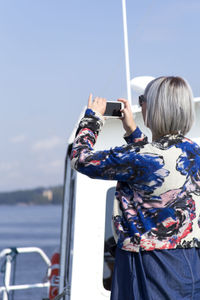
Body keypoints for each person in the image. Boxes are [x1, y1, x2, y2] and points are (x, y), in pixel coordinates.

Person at [70, 76, 200, 300]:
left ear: (158, 107)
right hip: (189, 263)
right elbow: (155, 166)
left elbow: (81, 159)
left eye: (143, 100)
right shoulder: (193, 151)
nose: (140, 105)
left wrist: (93, 119)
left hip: (149, 266)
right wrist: (133, 132)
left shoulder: (141, 157)